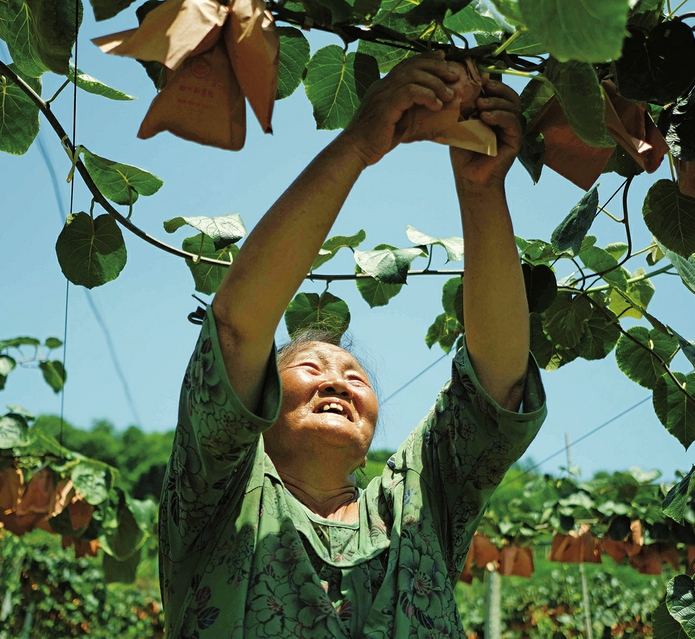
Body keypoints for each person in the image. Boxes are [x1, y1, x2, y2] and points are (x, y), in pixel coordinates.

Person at [159, 52, 547, 638]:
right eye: (310, 367)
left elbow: (498, 384)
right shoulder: (220, 495)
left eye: (355, 378)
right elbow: (238, 328)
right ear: (255, 408)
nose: (337, 380)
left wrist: (482, 187)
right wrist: (359, 144)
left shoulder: (416, 504)